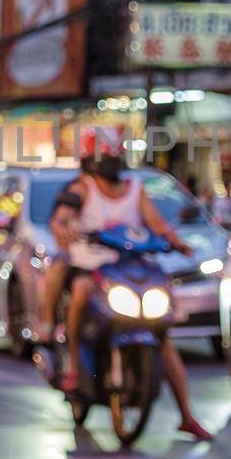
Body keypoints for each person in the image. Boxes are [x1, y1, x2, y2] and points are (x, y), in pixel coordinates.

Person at [38, 132, 212, 440]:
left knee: (162, 336)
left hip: (128, 269)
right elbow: (62, 217)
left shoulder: (135, 189)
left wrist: (177, 243)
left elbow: (157, 225)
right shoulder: (82, 187)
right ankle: (74, 369)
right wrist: (61, 228)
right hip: (90, 268)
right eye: (106, 158)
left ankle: (186, 415)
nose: (112, 164)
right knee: (79, 293)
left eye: (116, 157)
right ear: (90, 162)